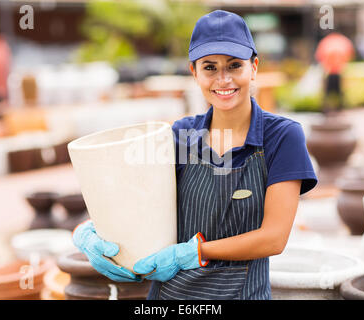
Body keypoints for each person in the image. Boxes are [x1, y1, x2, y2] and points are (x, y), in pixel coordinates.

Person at [72, 10, 317, 300]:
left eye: (234, 65)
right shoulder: (179, 136)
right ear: (194, 72)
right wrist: (87, 233)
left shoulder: (281, 137)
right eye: (210, 67)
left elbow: (273, 238)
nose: (223, 80)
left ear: (254, 67)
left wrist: (194, 252)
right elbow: (128, 201)